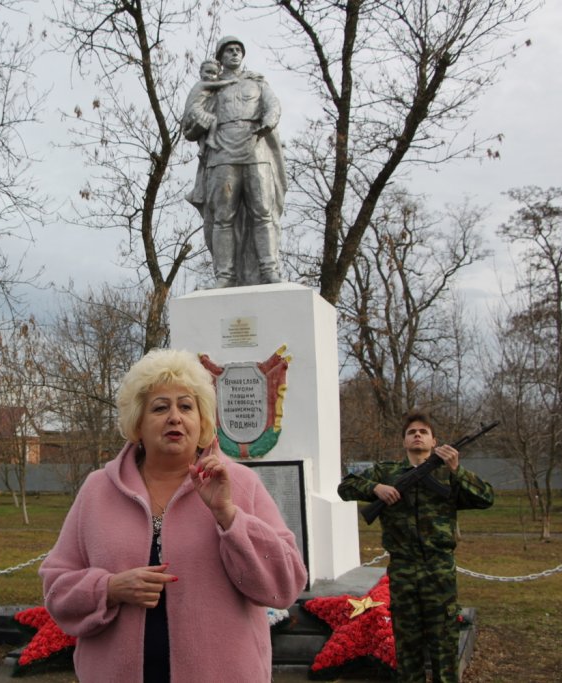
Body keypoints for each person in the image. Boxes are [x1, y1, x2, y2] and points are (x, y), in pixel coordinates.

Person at [40, 349, 307, 683]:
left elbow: (284, 586)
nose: (175, 417)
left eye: (186, 406)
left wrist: (229, 516)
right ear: (138, 422)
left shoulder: (239, 484)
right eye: (160, 407)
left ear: (203, 420)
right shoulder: (98, 489)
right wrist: (108, 588)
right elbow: (56, 587)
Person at [337, 412, 494, 683]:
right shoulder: (385, 472)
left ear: (435, 441)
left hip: (439, 570)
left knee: (444, 645)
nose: (418, 435)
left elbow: (486, 498)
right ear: (404, 442)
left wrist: (457, 470)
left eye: (424, 431)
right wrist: (376, 489)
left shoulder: (447, 474)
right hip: (403, 570)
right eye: (412, 432)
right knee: (407, 646)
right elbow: (345, 488)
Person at [183, 36, 287, 288]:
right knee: (222, 216)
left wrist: (269, 120)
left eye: (238, 49)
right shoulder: (211, 86)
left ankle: (269, 270)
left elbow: (273, 106)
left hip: (255, 150)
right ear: (220, 57)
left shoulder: (257, 82)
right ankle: (225, 276)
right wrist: (203, 119)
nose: (234, 53)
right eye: (229, 50)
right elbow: (189, 124)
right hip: (222, 154)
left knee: (263, 211)